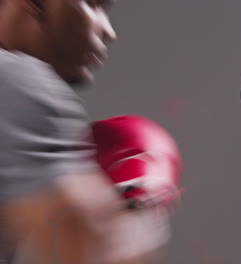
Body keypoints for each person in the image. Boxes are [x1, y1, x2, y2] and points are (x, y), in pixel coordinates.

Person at [0, 0, 180, 263]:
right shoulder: (17, 83)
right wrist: (139, 204)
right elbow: (95, 253)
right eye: (94, 4)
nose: (109, 30)